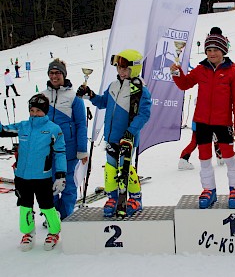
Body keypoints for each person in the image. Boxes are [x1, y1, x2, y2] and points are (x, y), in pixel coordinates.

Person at [170, 27, 235, 209]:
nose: (212, 54)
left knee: (227, 155)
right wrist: (177, 73)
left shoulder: (233, 72)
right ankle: (209, 189)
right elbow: (185, 84)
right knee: (204, 157)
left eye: (216, 50)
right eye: (209, 50)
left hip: (223, 122)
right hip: (202, 121)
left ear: (223, 51)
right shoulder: (201, 69)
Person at [76, 49, 152, 217]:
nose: (121, 71)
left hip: (127, 138)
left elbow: (144, 114)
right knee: (110, 167)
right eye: (118, 67)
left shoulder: (139, 90)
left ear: (134, 68)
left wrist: (130, 132)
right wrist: (90, 95)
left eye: (124, 68)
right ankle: (112, 197)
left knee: (126, 168)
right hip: (111, 136)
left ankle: (136, 198)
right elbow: (103, 102)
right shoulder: (113, 85)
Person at [0, 94, 67, 251]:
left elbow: (60, 152)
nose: (35, 113)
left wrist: (61, 175)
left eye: (38, 111)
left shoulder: (53, 129)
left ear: (45, 111)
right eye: (32, 110)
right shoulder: (23, 126)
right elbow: (2, 130)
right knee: (25, 206)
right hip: (22, 176)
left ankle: (54, 232)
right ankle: (28, 232)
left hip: (42, 177)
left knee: (46, 206)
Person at [41, 58, 88, 221]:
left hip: (69, 151)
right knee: (49, 185)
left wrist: (82, 150)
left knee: (68, 186)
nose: (54, 76)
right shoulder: (42, 97)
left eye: (57, 73)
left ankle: (67, 216)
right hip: (47, 151)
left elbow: (81, 124)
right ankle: (52, 217)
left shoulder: (74, 97)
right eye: (51, 73)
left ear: (64, 74)